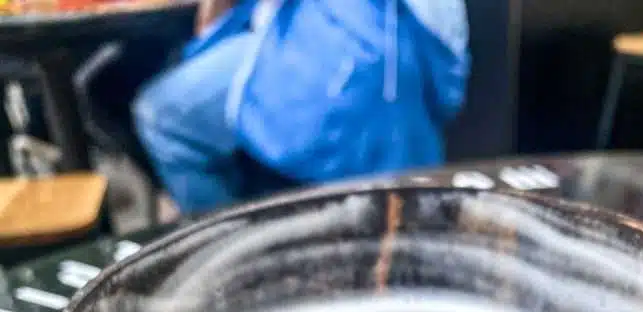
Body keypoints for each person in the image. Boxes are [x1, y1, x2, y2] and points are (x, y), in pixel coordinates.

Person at [132, 0, 469, 215]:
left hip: (351, 53)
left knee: (161, 117)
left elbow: (210, 21)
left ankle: (233, 251)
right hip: (415, 58)